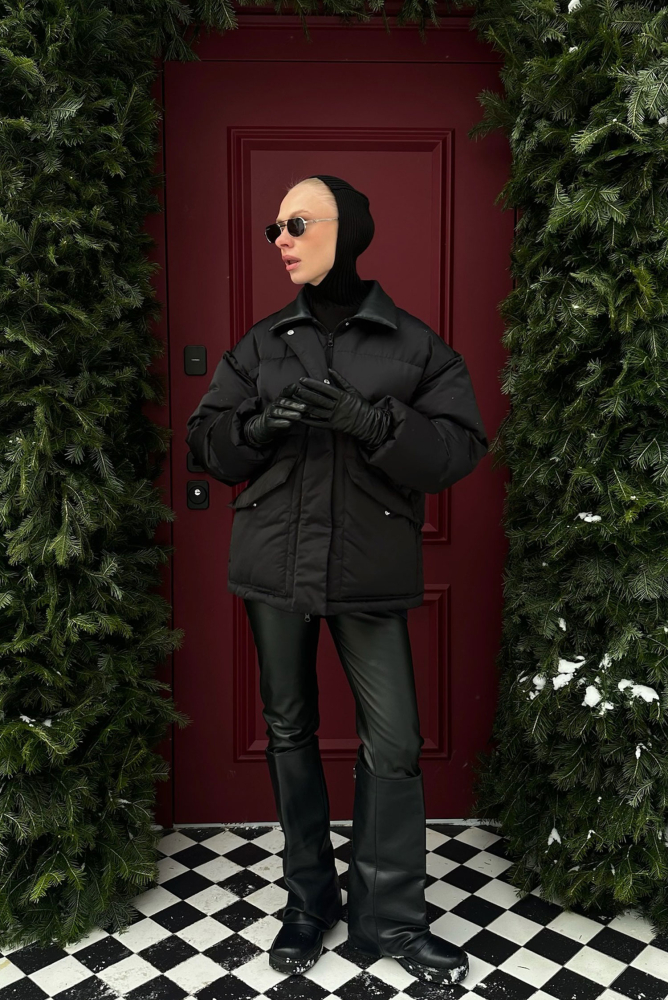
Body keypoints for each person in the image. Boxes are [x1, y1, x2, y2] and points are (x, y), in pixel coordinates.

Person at [185, 174, 488, 986]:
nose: (280, 240)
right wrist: (253, 427)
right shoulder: (261, 344)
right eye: (273, 229)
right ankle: (308, 902)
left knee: (393, 742)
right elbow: (204, 443)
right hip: (273, 565)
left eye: (297, 223)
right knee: (289, 729)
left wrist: (374, 424)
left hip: (368, 567)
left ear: (346, 228)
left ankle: (389, 917)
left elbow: (458, 449)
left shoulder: (414, 345)